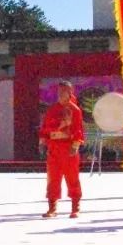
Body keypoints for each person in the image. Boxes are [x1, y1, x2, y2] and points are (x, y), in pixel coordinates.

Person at [38, 80, 84, 218]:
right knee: (53, 178)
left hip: (68, 148)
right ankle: (52, 207)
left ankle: (75, 207)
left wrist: (75, 146)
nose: (61, 93)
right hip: (54, 148)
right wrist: (42, 142)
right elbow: (45, 127)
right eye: (59, 91)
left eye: (64, 91)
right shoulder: (52, 109)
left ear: (70, 92)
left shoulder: (75, 110)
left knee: (72, 178)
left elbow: (78, 130)